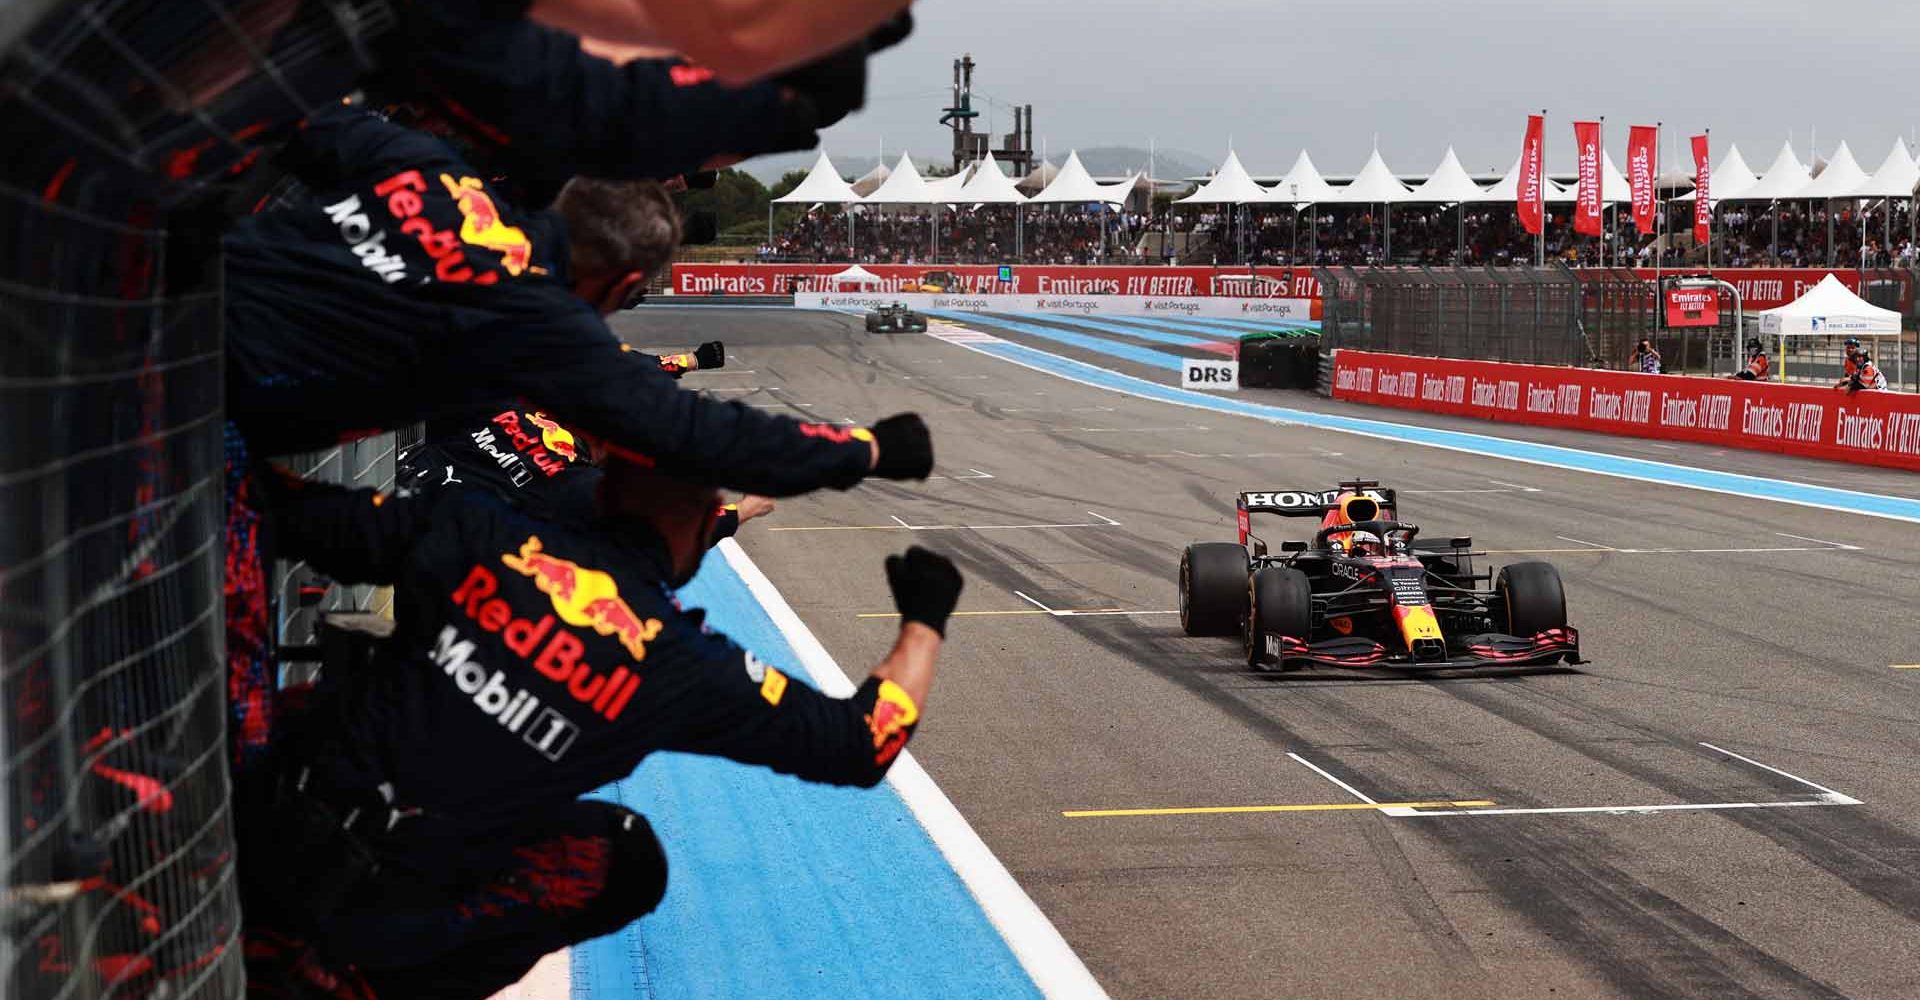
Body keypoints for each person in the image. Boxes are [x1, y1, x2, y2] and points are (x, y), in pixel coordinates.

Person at [236, 458, 963, 1000]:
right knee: (625, 857)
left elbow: (280, 506)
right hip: (383, 908)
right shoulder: (672, 660)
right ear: (703, 526)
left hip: (257, 824)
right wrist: (924, 620)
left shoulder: (475, 528)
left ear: (605, 488)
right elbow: (865, 744)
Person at [222, 106, 931, 496]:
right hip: (194, 414)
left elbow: (293, 120)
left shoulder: (427, 165)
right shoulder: (542, 329)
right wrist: (868, 449)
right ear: (623, 287)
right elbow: (706, 436)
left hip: (157, 292)